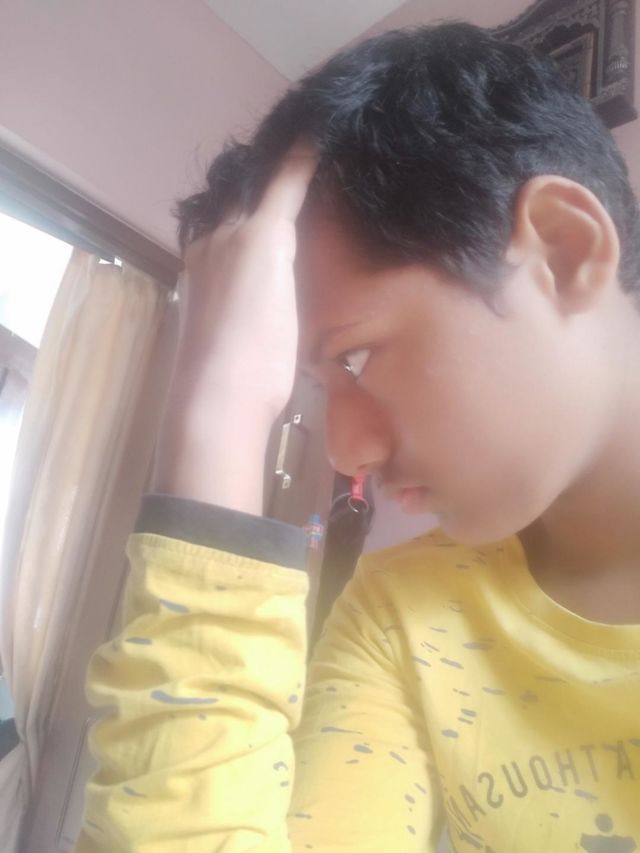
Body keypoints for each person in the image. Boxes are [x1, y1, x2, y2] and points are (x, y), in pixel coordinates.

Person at [76, 22, 640, 852]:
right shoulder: (400, 616)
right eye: (315, 388)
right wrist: (215, 411)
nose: (346, 453)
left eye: (356, 356)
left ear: (562, 249)